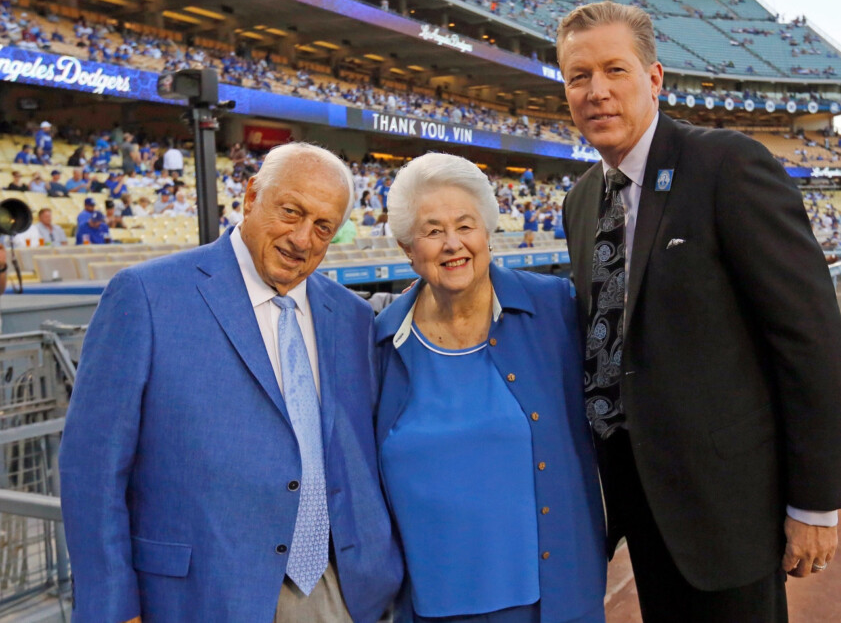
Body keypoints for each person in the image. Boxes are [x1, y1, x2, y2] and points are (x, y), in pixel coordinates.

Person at [557, 2, 841, 621]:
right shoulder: (580, 200)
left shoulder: (726, 165)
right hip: (630, 502)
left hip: (724, 510)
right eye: (579, 77)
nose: (597, 91)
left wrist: (815, 504)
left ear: (654, 78)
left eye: (615, 70)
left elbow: (810, 338)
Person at [59, 142, 403, 621]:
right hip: (199, 595)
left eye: (323, 226)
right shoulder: (146, 296)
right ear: (250, 196)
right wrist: (112, 608)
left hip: (335, 591)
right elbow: (91, 469)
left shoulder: (351, 316)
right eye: (291, 212)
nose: (303, 238)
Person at [375, 153, 606, 622]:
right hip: (426, 608)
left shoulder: (555, 310)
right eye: (432, 230)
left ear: (487, 232)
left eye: (465, 225)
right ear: (407, 248)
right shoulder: (381, 342)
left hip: (551, 604)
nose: (452, 243)